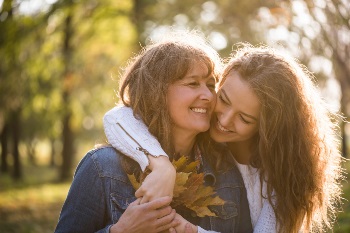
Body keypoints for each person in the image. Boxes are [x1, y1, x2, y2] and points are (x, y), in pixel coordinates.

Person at [104, 44, 344, 233]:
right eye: (225, 100)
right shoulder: (200, 133)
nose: (224, 120)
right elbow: (117, 117)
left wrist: (193, 231)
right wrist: (161, 165)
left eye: (245, 119)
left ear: (269, 129)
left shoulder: (284, 175)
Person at [55, 31, 253, 233]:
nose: (208, 96)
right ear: (156, 92)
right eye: (193, 83)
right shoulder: (102, 167)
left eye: (211, 85)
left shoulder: (226, 171)